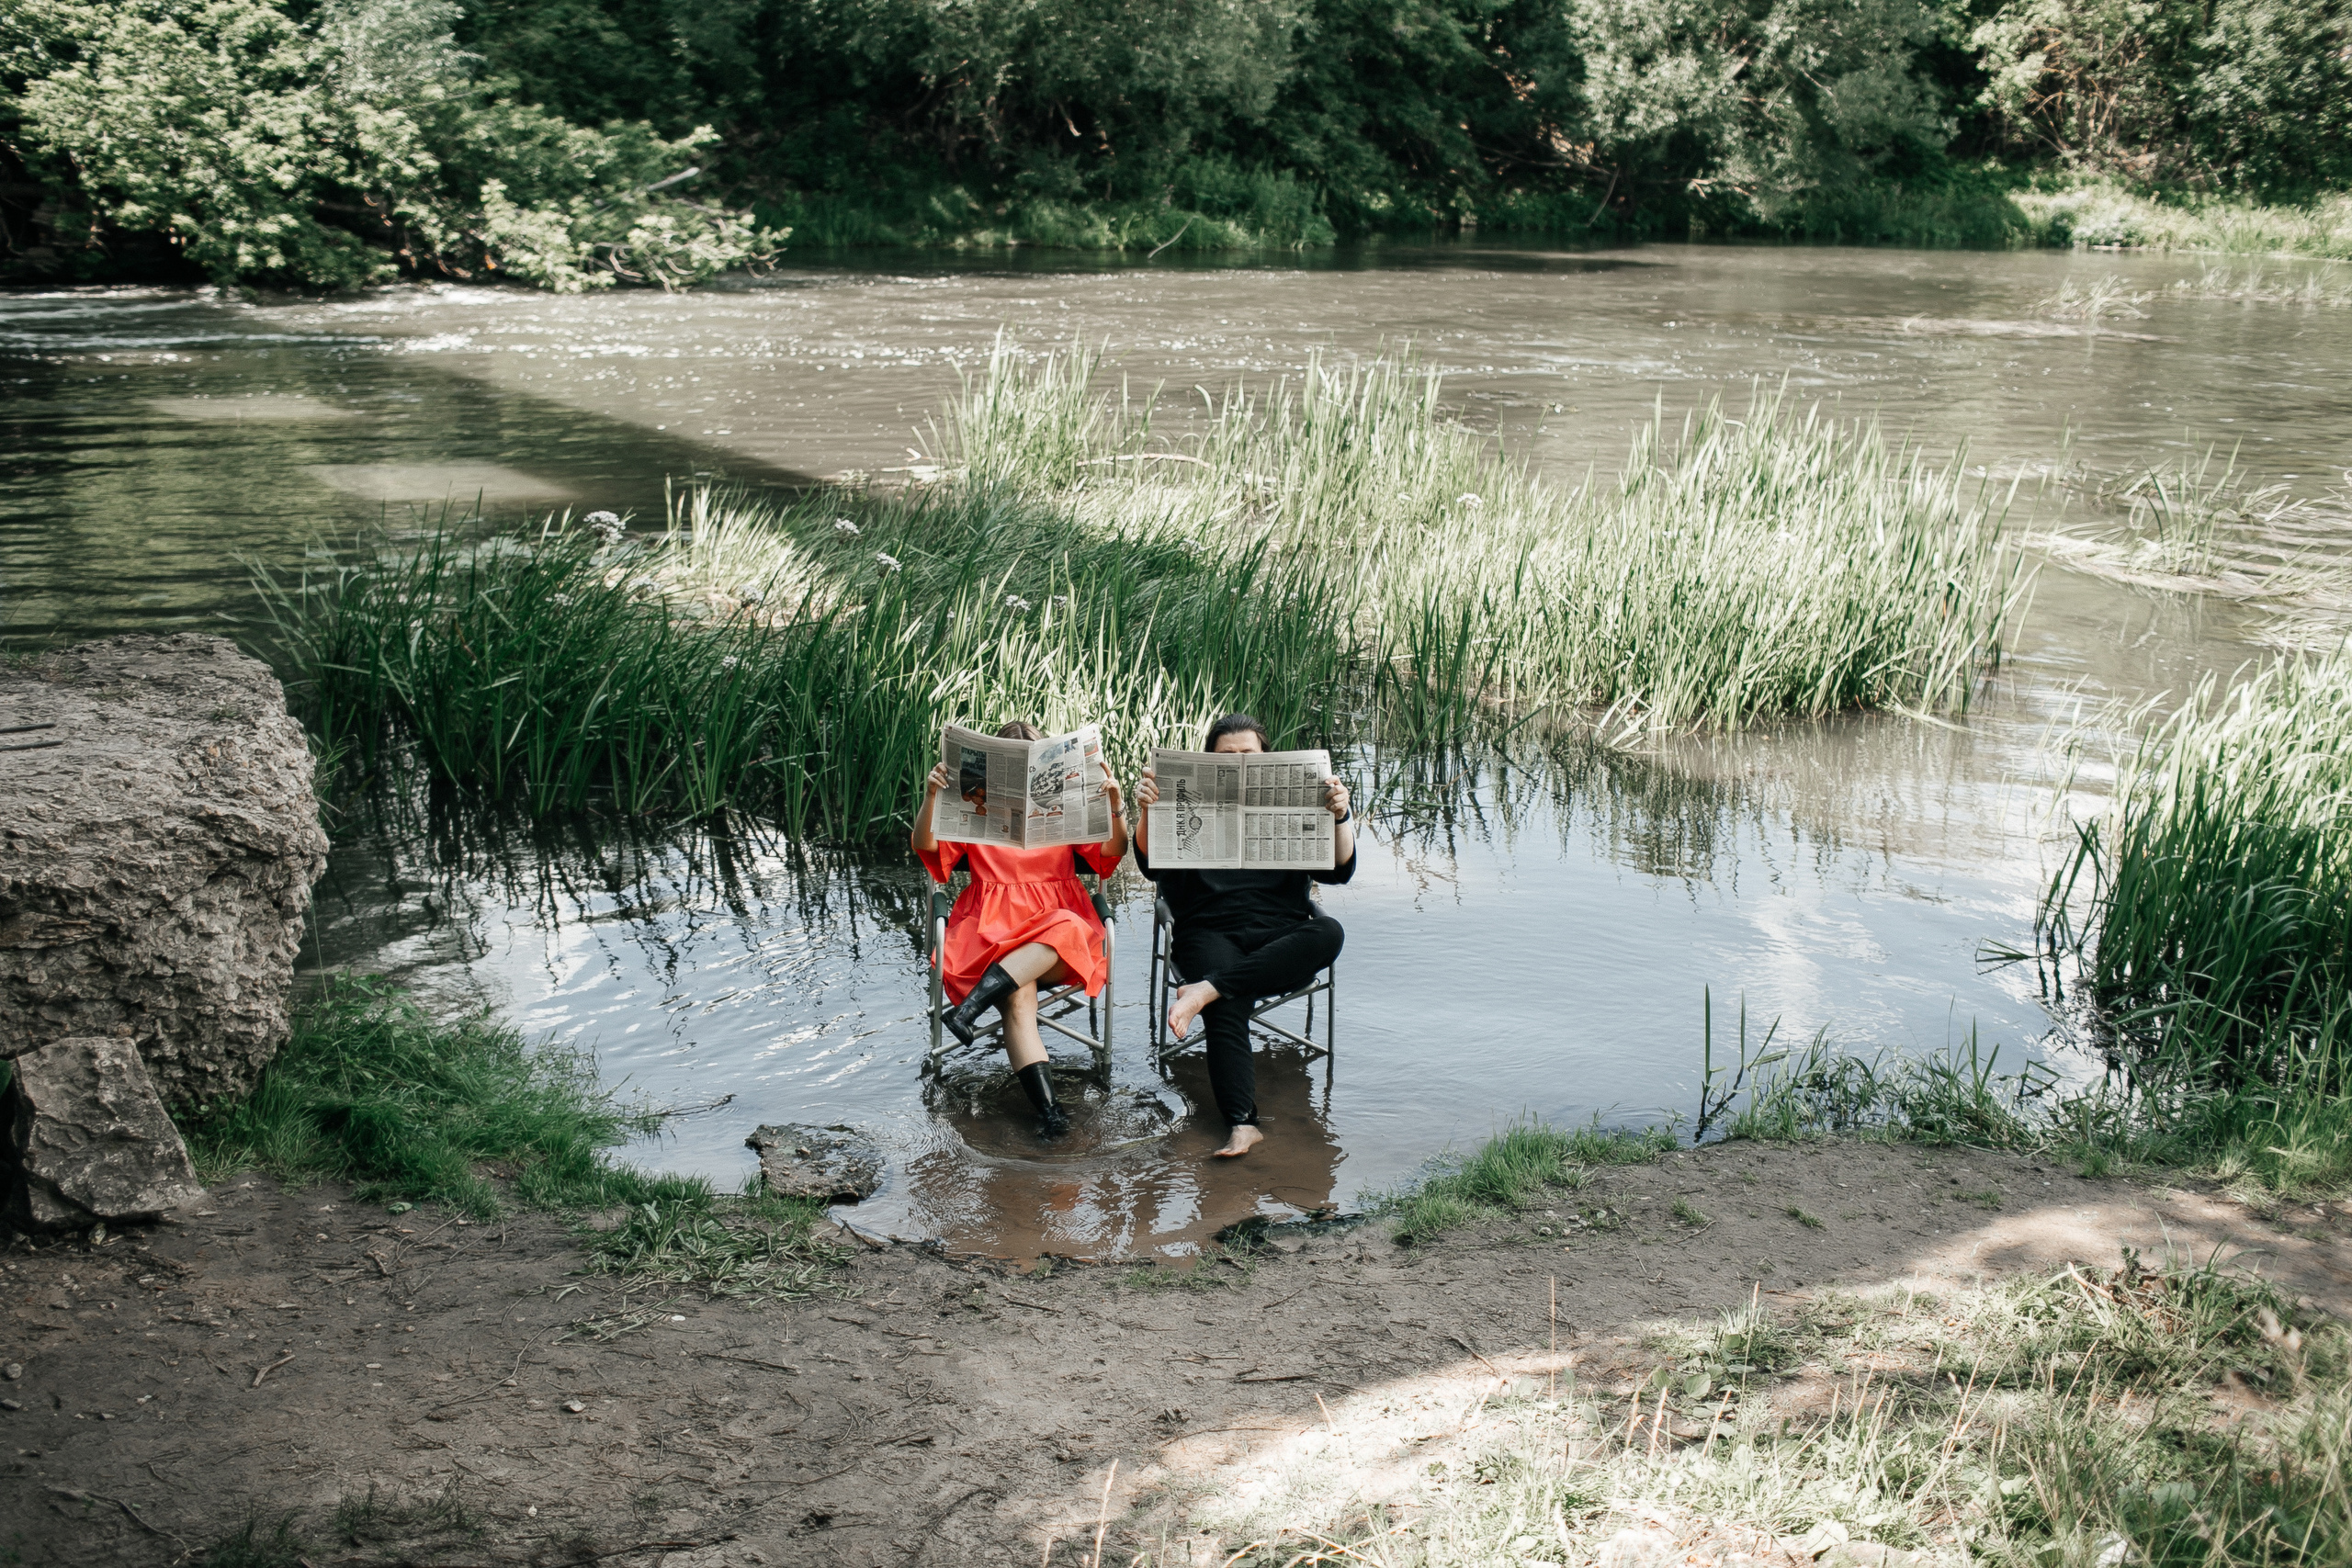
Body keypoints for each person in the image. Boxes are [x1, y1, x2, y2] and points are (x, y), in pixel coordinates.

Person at [1132, 713, 1354, 1158]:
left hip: (1281, 934)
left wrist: (1341, 814)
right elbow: (1150, 866)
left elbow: (1340, 871)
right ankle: (1242, 1123)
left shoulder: (1295, 797)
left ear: (1265, 758)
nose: (1237, 764)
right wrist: (1146, 811)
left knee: (1329, 931)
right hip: (1208, 931)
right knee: (1228, 998)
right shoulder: (1184, 799)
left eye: (1248, 756)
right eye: (1226, 758)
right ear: (1209, 761)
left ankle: (1204, 992)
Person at [912, 722, 1127, 1138]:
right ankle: (1051, 1114)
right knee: (1018, 995)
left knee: (1064, 926)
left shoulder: (1063, 810)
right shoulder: (978, 808)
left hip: (1058, 932)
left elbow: (1108, 858)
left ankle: (969, 1010)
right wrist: (931, 797)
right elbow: (929, 851)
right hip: (990, 929)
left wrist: (1115, 807)